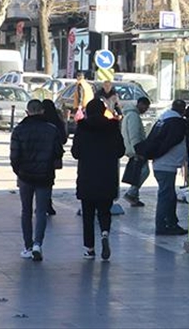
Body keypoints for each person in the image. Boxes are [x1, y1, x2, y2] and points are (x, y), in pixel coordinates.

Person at [9, 99, 64, 261]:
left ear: (27, 112)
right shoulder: (51, 129)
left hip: (25, 176)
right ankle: (37, 244)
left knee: (26, 211)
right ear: (42, 111)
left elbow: (14, 155)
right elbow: (58, 152)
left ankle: (27, 245)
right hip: (45, 175)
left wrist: (19, 171)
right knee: (41, 211)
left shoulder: (19, 130)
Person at [71, 98, 125, 260]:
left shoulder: (82, 128)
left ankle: (89, 249)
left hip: (87, 176)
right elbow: (121, 151)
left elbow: (75, 153)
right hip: (107, 176)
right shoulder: (113, 127)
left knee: (87, 215)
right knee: (104, 211)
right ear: (103, 111)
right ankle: (105, 233)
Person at [135, 99, 188, 236]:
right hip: (166, 164)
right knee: (166, 196)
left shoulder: (162, 119)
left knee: (169, 195)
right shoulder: (176, 123)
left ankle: (171, 222)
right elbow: (170, 142)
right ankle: (163, 225)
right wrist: (160, 153)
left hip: (162, 163)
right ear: (183, 110)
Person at [120, 96, 151, 206]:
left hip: (131, 148)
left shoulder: (129, 115)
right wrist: (138, 150)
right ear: (140, 104)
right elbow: (134, 135)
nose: (146, 110)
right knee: (144, 171)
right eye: (145, 107)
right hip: (136, 149)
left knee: (138, 172)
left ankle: (134, 196)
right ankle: (131, 193)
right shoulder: (133, 116)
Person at [39, 99, 67, 216]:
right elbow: (64, 139)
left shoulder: (39, 121)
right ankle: (47, 202)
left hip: (38, 155)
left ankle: (40, 203)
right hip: (52, 157)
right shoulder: (57, 122)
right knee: (49, 181)